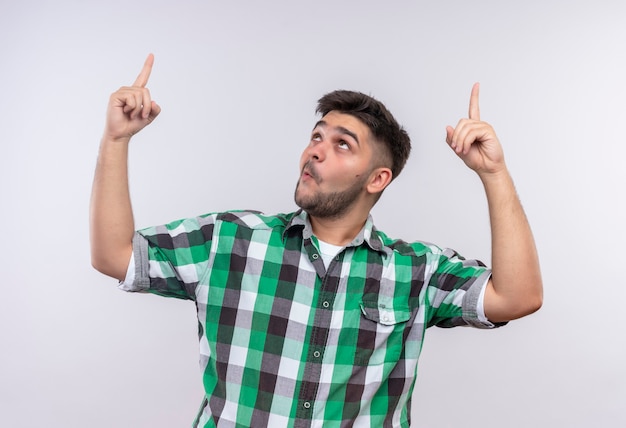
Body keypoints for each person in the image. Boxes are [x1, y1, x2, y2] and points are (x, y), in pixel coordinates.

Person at [90, 54, 543, 428]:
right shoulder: (229, 240)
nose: (315, 150)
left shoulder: (417, 271)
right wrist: (115, 139)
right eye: (316, 136)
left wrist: (493, 173)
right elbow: (115, 255)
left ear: (378, 178)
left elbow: (517, 296)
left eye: (342, 144)